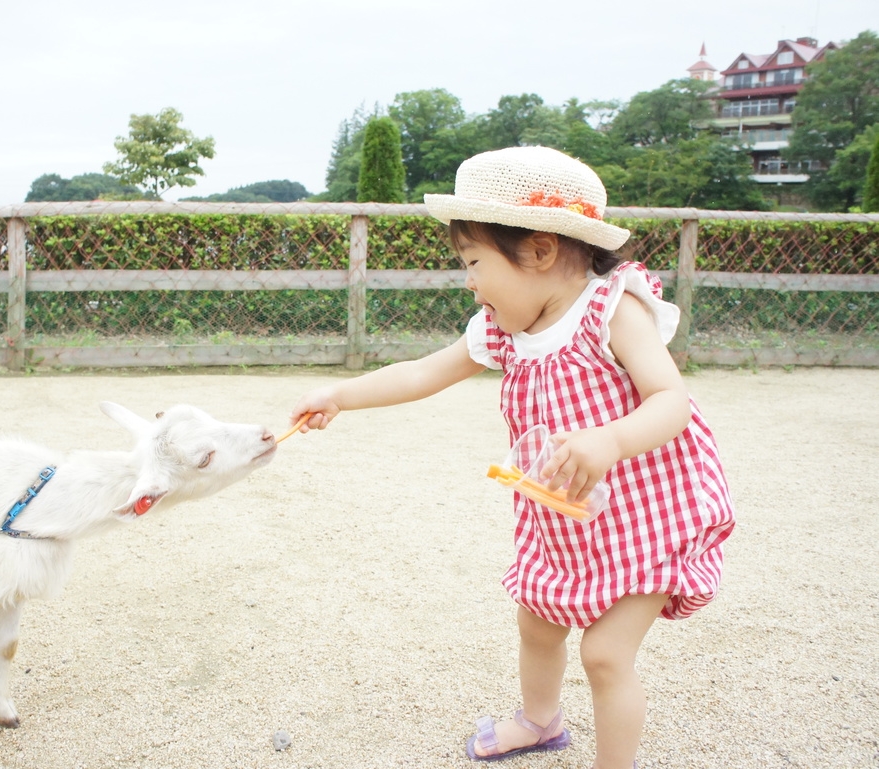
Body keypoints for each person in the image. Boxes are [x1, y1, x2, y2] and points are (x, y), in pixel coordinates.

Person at [287, 146, 735, 768]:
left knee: (604, 654)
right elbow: (421, 373)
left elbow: (671, 401)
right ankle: (540, 720)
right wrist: (340, 393)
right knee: (538, 623)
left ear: (540, 250)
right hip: (563, 514)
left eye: (474, 261)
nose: (468, 280)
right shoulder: (501, 330)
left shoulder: (612, 311)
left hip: (647, 514)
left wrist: (610, 439)